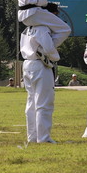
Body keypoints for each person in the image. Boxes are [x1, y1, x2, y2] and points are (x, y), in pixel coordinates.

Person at [21, 15, 58, 143]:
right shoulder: (42, 28)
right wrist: (55, 57)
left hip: (27, 63)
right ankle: (43, 138)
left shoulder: (27, 28)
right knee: (43, 103)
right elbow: (48, 48)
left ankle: (32, 137)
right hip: (39, 64)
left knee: (31, 102)